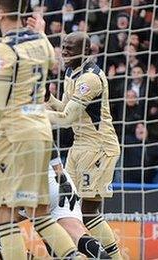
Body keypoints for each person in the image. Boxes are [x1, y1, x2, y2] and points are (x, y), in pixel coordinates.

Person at [0, 1, 79, 259]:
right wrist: (41, 31)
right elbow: (53, 60)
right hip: (41, 133)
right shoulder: (40, 43)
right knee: (40, 215)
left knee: (5, 218)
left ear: (0, 11)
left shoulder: (3, 48)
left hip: (15, 136)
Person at [45, 31, 123, 259]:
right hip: (79, 146)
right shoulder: (71, 72)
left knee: (88, 212)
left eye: (71, 47)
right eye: (64, 46)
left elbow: (67, 120)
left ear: (87, 52)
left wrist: (33, 115)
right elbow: (65, 110)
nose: (65, 51)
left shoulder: (90, 79)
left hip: (99, 147)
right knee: (67, 208)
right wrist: (47, 99)